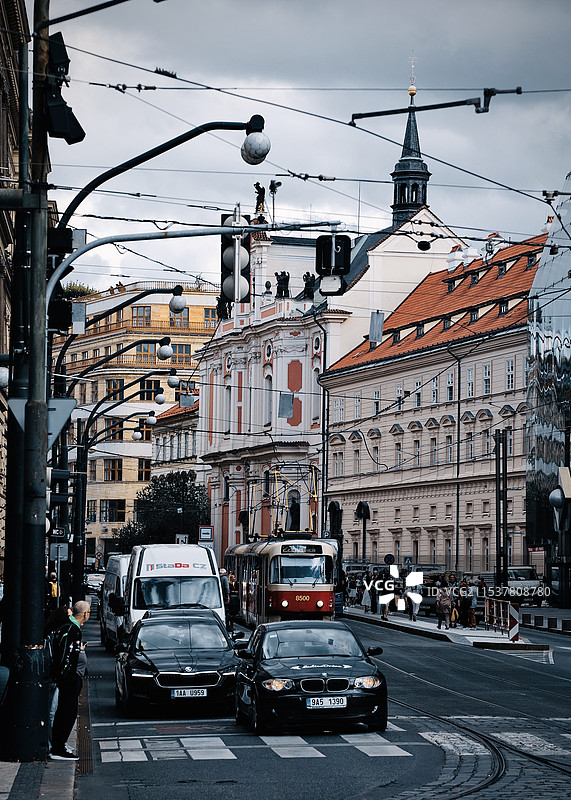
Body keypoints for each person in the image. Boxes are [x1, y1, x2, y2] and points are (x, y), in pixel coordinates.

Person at [50, 600, 91, 760]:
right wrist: (68, 675)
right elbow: (65, 654)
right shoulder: (71, 629)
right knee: (66, 712)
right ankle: (58, 748)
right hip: (68, 679)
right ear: (85, 614)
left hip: (68, 677)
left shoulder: (70, 627)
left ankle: (60, 745)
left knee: (66, 711)